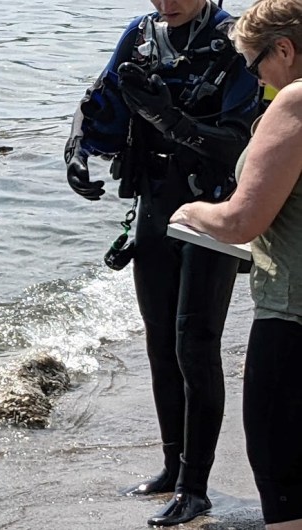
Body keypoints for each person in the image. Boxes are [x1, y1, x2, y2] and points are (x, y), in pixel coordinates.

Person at [64, 0, 261, 525]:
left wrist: (167, 116)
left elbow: (238, 148)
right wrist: (77, 151)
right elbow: (98, 101)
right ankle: (172, 468)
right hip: (153, 201)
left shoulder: (236, 42)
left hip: (213, 206)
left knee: (194, 345)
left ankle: (196, 488)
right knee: (159, 343)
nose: (165, 3)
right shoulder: (142, 33)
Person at [170, 0, 302, 526]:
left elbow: (242, 221)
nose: (254, 76)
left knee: (284, 479)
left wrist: (193, 211)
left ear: (286, 49)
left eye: (254, 62)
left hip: (292, 319)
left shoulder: (294, 100)